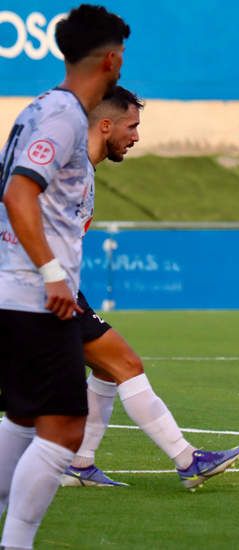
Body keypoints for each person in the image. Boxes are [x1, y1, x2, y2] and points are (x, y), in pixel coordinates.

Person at [57, 86, 239, 491]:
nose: (137, 136)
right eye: (132, 126)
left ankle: (80, 463)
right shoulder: (70, 169)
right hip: (42, 289)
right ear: (105, 125)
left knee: (109, 370)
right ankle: (186, 459)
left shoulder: (80, 168)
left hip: (56, 286)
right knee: (126, 364)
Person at [0, 5, 128, 548]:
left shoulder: (41, 107)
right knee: (65, 427)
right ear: (112, 60)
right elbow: (18, 190)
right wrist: (52, 273)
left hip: (14, 288)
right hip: (34, 295)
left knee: (25, 418)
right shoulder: (65, 117)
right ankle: (18, 543)